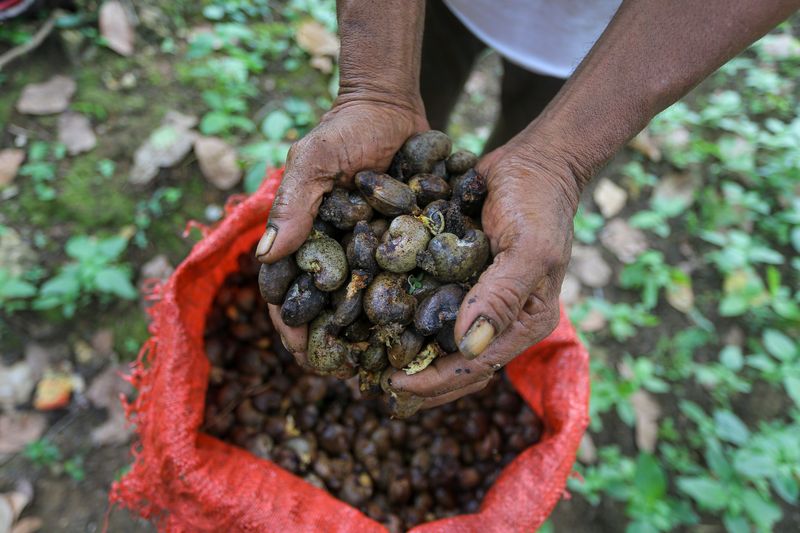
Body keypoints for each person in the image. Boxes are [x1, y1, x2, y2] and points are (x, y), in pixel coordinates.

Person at [256, 0, 799, 414]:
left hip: (625, 37)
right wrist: (375, 87)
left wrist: (559, 161)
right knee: (414, 134)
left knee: (520, 202)